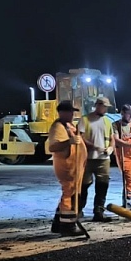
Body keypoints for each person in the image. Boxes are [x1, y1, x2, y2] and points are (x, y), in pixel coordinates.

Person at [46, 101, 85, 236]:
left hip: (73, 167)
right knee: (69, 195)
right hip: (66, 167)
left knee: (68, 193)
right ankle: (67, 227)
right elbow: (53, 147)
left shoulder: (68, 125)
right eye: (70, 111)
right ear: (62, 112)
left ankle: (58, 223)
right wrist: (69, 141)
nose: (73, 114)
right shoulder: (58, 127)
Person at [78, 95, 115, 222]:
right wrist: (94, 147)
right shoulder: (85, 120)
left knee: (102, 186)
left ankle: (98, 211)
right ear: (98, 105)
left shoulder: (107, 122)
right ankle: (78, 210)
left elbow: (112, 138)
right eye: (104, 107)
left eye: (106, 107)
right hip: (87, 159)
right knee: (83, 186)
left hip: (103, 159)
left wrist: (110, 148)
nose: (105, 110)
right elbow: (81, 138)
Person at [112, 103, 131, 213]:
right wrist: (128, 145)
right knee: (129, 182)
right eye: (128, 114)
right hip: (125, 159)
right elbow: (116, 139)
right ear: (122, 113)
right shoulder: (116, 125)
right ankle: (128, 208)